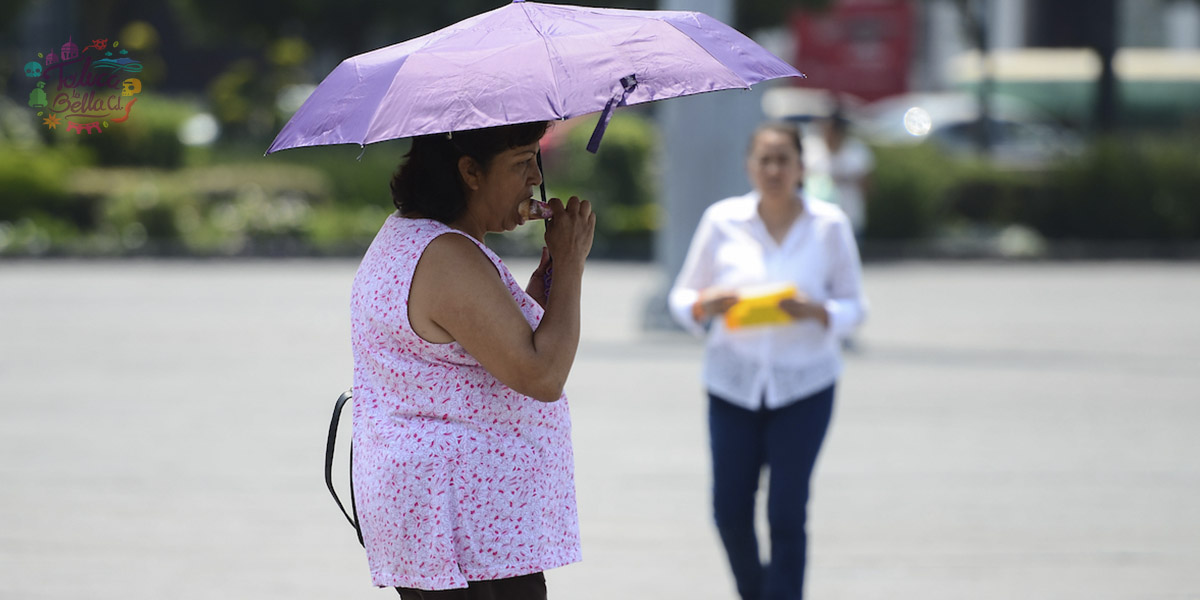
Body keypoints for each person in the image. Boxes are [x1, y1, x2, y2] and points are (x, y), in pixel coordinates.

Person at [349, 121, 596, 600]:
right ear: (470, 172)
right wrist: (569, 267)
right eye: (522, 162)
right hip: (465, 524)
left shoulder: (420, 238)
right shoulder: (446, 256)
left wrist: (547, 281)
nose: (533, 179)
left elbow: (487, 350)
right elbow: (541, 375)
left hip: (448, 517)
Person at [668, 121, 867, 600]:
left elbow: (855, 306)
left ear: (802, 166)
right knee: (730, 510)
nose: (774, 169)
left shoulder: (829, 225)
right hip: (732, 382)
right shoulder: (723, 220)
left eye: (784, 160)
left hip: (805, 384)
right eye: (765, 159)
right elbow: (682, 296)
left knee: (786, 512)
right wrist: (705, 305)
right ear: (749, 165)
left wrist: (820, 311)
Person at [803, 113, 875, 238]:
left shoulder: (857, 152)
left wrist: (848, 180)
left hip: (850, 218)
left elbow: (869, 187)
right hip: (815, 221)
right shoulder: (810, 150)